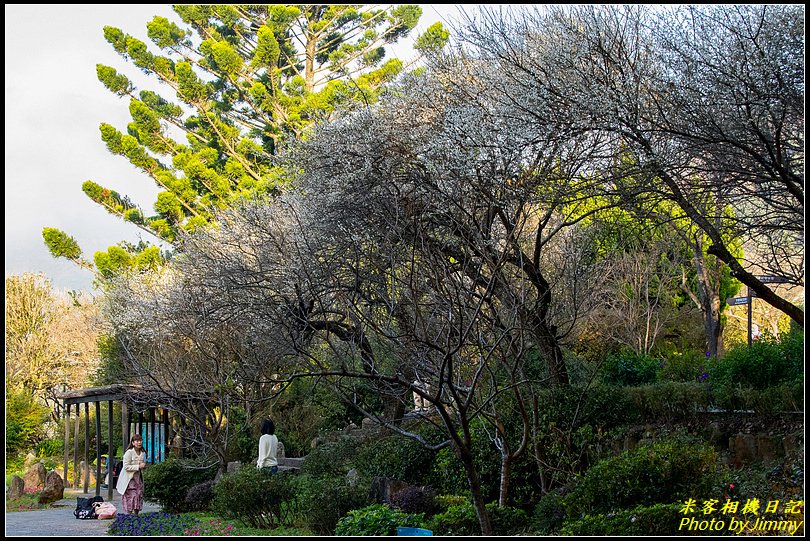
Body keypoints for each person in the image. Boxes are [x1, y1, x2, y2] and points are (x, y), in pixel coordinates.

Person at [116, 434, 147, 515]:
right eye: (137, 441)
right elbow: (126, 466)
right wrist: (138, 466)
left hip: (138, 478)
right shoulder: (129, 453)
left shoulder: (143, 453)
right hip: (129, 478)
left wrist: (143, 466)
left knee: (138, 495)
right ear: (133, 443)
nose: (139, 442)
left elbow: (141, 465)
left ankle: (136, 514)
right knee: (131, 496)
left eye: (140, 440)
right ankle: (128, 515)